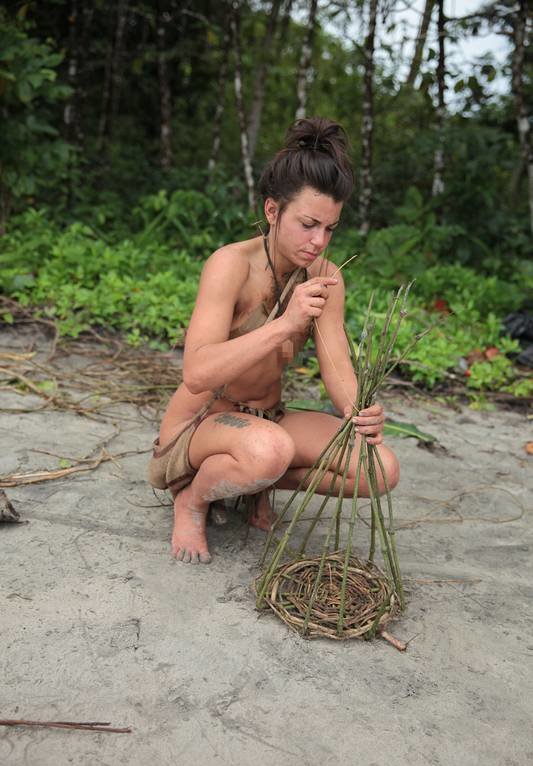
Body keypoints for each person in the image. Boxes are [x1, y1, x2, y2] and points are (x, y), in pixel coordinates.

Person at [148, 117, 399, 564]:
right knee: (270, 449)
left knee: (379, 469)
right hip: (202, 423)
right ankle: (193, 499)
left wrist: (358, 411)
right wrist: (283, 325)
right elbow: (197, 372)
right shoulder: (230, 265)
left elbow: (337, 364)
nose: (318, 241)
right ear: (272, 210)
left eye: (330, 228)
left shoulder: (326, 278)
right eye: (307, 224)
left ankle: (256, 482)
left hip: (271, 419)